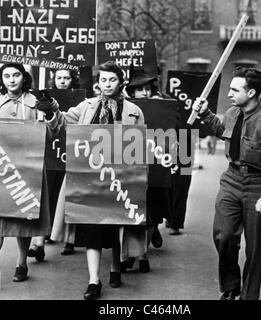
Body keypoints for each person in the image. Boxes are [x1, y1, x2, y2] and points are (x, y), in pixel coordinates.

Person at [36, 61, 145, 300]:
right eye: (103, 80)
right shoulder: (86, 106)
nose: (107, 84)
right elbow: (63, 123)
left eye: (112, 80)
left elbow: (139, 149)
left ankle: (116, 266)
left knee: (117, 225)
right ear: (98, 82)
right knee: (93, 227)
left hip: (119, 179)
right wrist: (51, 110)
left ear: (121, 82)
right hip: (88, 177)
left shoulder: (134, 111)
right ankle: (94, 280)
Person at [192, 66, 261, 300]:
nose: (229, 94)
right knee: (223, 235)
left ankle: (248, 296)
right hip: (231, 180)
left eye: (235, 90)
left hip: (258, 184)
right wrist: (206, 114)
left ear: (252, 92)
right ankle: (231, 285)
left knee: (255, 250)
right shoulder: (232, 113)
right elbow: (220, 129)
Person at [0, 63, 54, 286]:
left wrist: (50, 112)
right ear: (1, 79)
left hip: (28, 170)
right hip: (0, 171)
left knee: (23, 221)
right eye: (7, 76)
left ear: (23, 78)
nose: (11, 80)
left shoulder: (36, 102)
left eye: (16, 75)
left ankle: (21, 263)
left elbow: (51, 136)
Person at [119, 68, 169, 273]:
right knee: (128, 214)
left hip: (155, 169)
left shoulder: (163, 108)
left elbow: (174, 136)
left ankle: (143, 254)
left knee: (149, 216)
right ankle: (127, 254)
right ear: (132, 92)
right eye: (139, 90)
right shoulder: (124, 108)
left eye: (147, 89)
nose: (144, 94)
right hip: (130, 169)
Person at [28, 69, 80, 261]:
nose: (63, 81)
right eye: (59, 78)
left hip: (71, 153)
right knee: (45, 197)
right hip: (49, 154)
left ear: (72, 80)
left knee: (69, 198)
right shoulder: (43, 98)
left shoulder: (82, 100)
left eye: (66, 78)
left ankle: (69, 240)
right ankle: (38, 243)